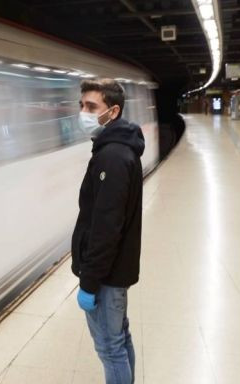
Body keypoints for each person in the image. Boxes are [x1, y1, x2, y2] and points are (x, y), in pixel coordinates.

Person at [71, 78, 144, 384]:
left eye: (91, 107)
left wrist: (89, 282)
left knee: (109, 348)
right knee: (119, 339)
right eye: (82, 105)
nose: (83, 113)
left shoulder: (112, 157)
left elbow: (105, 228)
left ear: (112, 112)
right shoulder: (120, 149)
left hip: (105, 276)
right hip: (115, 272)